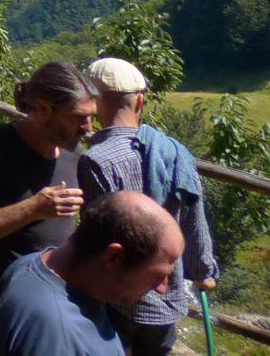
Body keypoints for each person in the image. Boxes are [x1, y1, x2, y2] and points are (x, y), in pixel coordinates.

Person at [78, 57, 219, 355]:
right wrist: (203, 270)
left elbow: (97, 239)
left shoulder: (96, 161)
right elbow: (194, 218)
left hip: (118, 299)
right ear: (139, 102)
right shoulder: (177, 152)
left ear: (93, 104)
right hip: (167, 297)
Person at [0, 61, 100, 324]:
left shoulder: (74, 153)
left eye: (91, 117)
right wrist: (34, 208)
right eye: (79, 117)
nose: (89, 127)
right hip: (8, 304)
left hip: (61, 302)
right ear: (43, 108)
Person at [0, 191, 184, 356]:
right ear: (114, 257)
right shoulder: (57, 337)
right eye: (159, 275)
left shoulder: (31, 264)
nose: (162, 288)